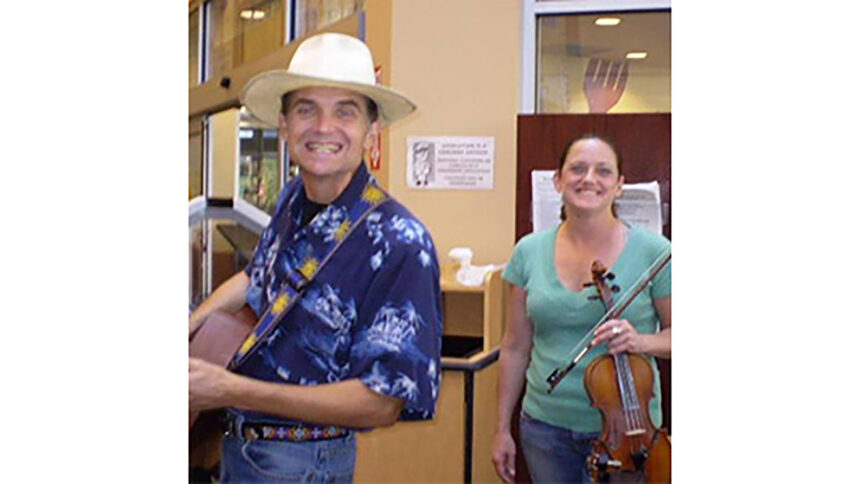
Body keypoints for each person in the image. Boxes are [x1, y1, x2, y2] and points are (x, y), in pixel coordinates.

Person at [189, 33, 443, 483]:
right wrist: (191, 325)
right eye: (307, 109)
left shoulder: (402, 242)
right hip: (237, 448)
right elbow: (257, 276)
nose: (323, 127)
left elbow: (381, 403)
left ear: (372, 131)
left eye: (345, 111)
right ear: (284, 125)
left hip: (304, 464)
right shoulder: (293, 200)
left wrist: (232, 389)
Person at [491, 134, 671, 483]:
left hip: (630, 434)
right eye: (577, 169)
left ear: (619, 186)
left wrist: (640, 342)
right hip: (544, 428)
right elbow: (514, 347)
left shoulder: (655, 252)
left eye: (603, 171)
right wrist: (501, 428)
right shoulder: (528, 251)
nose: (589, 178)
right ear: (558, 180)